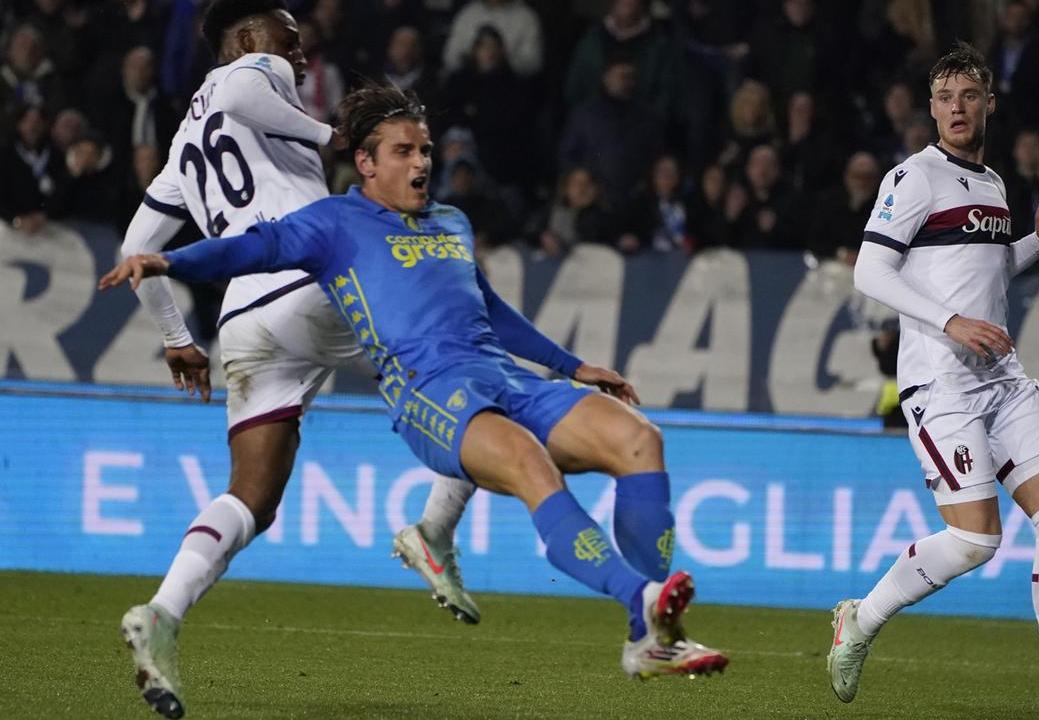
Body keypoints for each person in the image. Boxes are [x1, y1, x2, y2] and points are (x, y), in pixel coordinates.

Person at [101, 82, 730, 686]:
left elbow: (488, 307)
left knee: (639, 439)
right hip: (430, 392)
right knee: (528, 462)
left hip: (503, 377)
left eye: (424, 148)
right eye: (404, 151)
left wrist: (571, 366)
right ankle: (640, 598)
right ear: (367, 164)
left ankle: (651, 636)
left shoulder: (451, 222)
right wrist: (169, 260)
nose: (422, 161)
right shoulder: (333, 225)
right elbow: (250, 250)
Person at [109, 3, 471, 718]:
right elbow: (244, 89)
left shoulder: (186, 143)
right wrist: (325, 131)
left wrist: (178, 337)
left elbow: (134, 252)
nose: (300, 55)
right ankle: (433, 530)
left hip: (246, 311)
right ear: (247, 40)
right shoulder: (254, 72)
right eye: (289, 39)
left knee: (253, 497)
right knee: (468, 377)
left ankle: (161, 614)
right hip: (314, 271)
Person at [830, 43, 1039, 719]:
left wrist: (1037, 241)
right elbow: (872, 272)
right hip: (940, 385)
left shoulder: (994, 183)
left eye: (969, 95)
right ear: (931, 108)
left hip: (1000, 379)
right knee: (977, 541)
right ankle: (861, 619)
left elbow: (984, 272)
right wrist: (950, 323)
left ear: (988, 104)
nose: (956, 107)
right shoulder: (913, 178)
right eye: (945, 96)